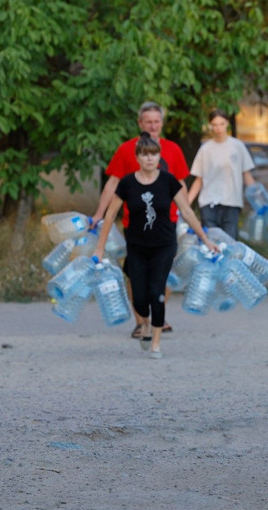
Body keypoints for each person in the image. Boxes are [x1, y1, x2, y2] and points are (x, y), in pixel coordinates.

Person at [93, 132, 218, 359]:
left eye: (153, 154)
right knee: (140, 298)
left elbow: (187, 212)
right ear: (138, 157)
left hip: (164, 245)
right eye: (145, 155)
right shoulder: (128, 183)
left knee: (157, 292)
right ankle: (145, 325)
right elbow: (111, 216)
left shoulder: (168, 181)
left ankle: (156, 344)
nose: (149, 159)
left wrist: (205, 240)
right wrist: (100, 248)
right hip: (137, 245)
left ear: (159, 157)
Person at [93, 101, 190, 338]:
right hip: (134, 222)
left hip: (168, 222)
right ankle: (140, 321)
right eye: (148, 121)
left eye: (157, 121)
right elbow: (113, 183)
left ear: (162, 123)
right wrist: (99, 213)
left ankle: (158, 317)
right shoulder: (127, 150)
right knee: (135, 273)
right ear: (140, 123)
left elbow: (181, 184)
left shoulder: (173, 150)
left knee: (162, 271)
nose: (153, 125)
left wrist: (187, 215)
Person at [187, 108, 256, 240]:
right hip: (209, 202)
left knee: (230, 244)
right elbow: (198, 179)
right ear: (210, 126)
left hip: (232, 202)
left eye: (222, 124)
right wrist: (186, 205)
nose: (218, 128)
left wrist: (257, 199)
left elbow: (246, 175)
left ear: (227, 124)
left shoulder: (237, 146)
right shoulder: (206, 149)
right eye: (215, 125)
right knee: (210, 244)